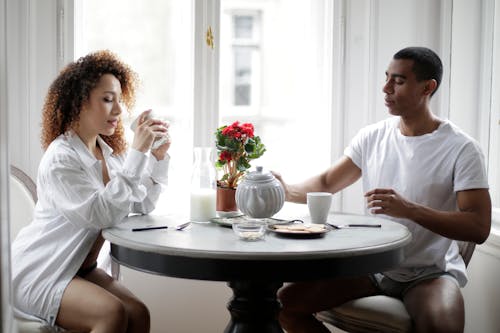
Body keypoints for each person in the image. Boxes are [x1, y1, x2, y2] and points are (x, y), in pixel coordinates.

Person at [274, 46, 491, 333]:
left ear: (428, 87)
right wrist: (285, 189)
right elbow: (327, 183)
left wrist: (410, 210)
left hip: (429, 274)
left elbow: (478, 227)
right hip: (372, 268)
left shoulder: (462, 149)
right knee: (282, 305)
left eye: (398, 81)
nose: (385, 88)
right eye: (387, 77)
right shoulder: (372, 137)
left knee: (443, 328)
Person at [11, 50, 171, 332]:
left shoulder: (109, 153)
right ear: (78, 103)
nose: (119, 111)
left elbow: (140, 204)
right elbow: (101, 214)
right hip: (42, 271)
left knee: (138, 313)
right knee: (110, 314)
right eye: (108, 100)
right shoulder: (61, 158)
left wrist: (155, 157)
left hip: (78, 270)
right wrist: (138, 153)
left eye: (120, 101)